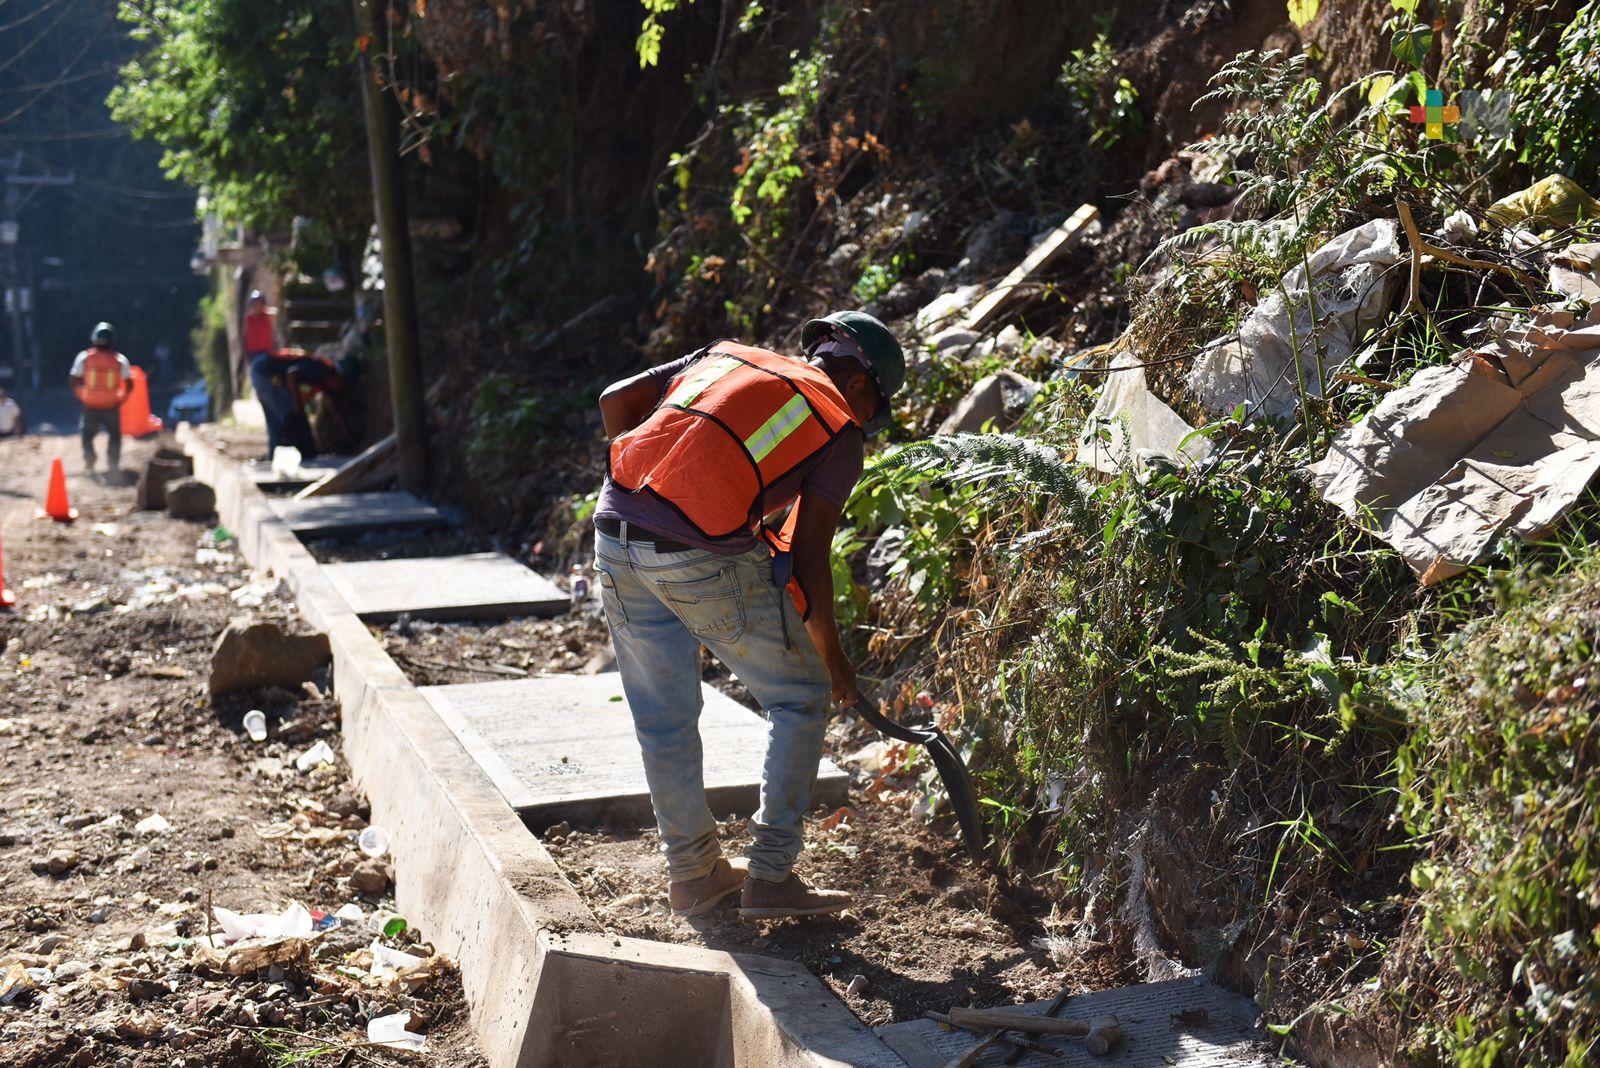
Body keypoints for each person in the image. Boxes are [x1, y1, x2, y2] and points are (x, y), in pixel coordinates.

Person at [594, 310, 904, 920]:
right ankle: (770, 876)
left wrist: (656, 478)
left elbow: (616, 401)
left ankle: (692, 875)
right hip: (695, 550)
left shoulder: (728, 356)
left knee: (663, 718)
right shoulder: (838, 425)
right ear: (864, 385)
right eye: (875, 409)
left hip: (614, 528)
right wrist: (833, 661)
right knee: (800, 696)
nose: (868, 422)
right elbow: (809, 555)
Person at [70, 322, 133, 471]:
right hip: (111, 405)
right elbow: (129, 384)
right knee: (114, 436)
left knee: (87, 435)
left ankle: (90, 459)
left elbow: (73, 380)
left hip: (90, 404)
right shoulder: (120, 360)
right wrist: (121, 399)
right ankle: (113, 465)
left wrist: (81, 395)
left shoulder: (84, 357)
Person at [243, 290, 293, 456]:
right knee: (270, 409)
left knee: (276, 410)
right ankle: (275, 449)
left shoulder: (267, 317)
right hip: (257, 362)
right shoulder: (249, 319)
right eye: (253, 303)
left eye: (258, 303)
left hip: (266, 360)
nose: (254, 306)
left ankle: (278, 448)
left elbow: (275, 313)